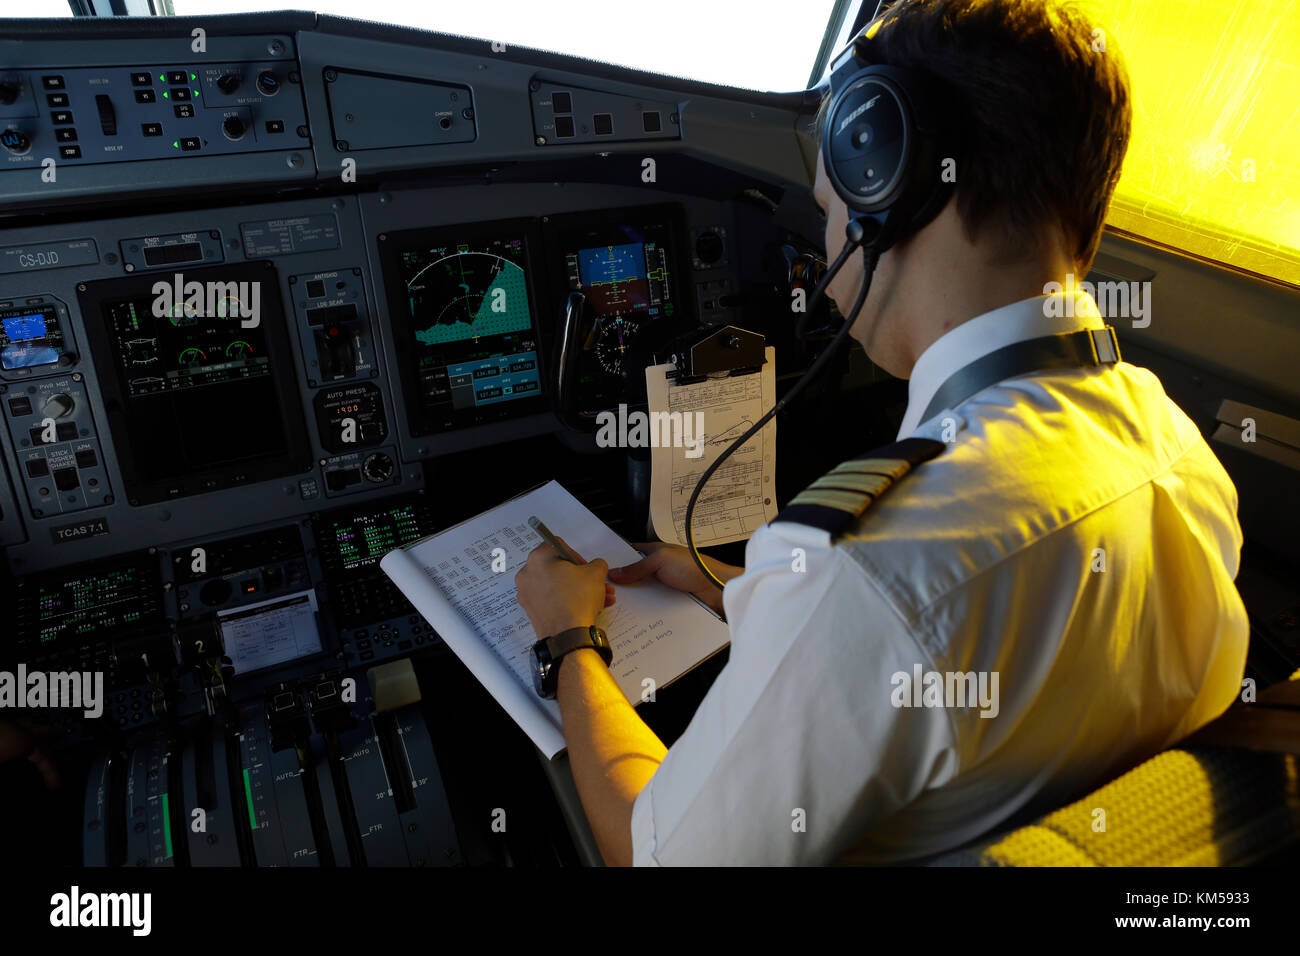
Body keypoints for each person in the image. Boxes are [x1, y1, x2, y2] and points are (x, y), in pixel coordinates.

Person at [514, 0, 1250, 866]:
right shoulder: (1176, 447)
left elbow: (650, 853)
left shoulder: (862, 567)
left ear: (890, 197)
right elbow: (947, 634)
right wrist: (736, 588)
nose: (826, 258)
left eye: (831, 211)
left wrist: (569, 639)